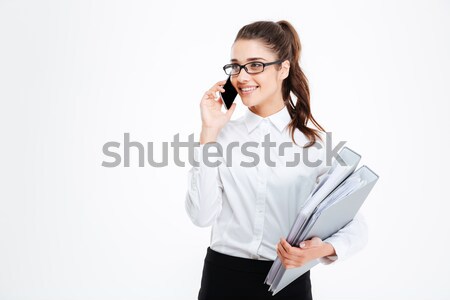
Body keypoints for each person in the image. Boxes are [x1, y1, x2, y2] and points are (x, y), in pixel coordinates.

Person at [185, 20, 368, 300]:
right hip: (222, 280)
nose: (242, 76)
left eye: (255, 65)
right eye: (236, 66)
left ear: (283, 68)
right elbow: (201, 216)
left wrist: (320, 249)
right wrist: (209, 130)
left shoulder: (315, 145)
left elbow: (355, 223)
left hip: (287, 283)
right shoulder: (219, 136)